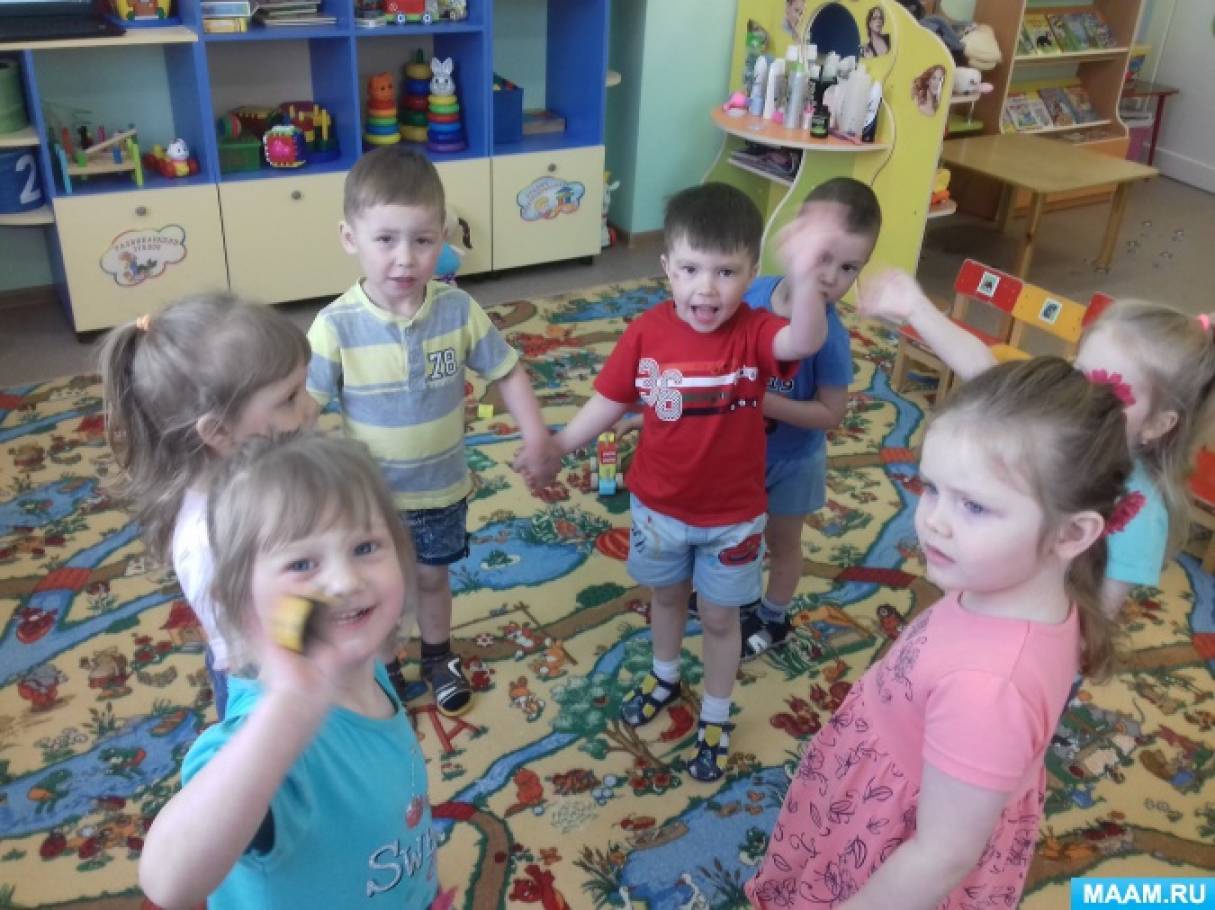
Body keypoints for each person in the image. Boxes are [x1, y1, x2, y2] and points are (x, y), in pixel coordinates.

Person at [747, 357, 1131, 909]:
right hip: (886, 783)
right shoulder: (1004, 582)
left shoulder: (988, 689)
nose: (933, 521)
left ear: (1072, 534)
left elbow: (940, 857)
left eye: (973, 505)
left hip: (891, 848)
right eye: (931, 488)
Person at [544, 182, 832, 781]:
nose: (707, 288)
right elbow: (609, 400)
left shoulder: (756, 330)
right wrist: (562, 443)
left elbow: (804, 339)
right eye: (691, 269)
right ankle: (665, 676)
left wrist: (805, 275)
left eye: (726, 272)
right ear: (666, 268)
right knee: (667, 599)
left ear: (751, 273)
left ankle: (716, 717)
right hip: (658, 509)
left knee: (722, 620)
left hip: (733, 519)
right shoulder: (646, 332)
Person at [138, 433, 447, 909]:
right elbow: (168, 881)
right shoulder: (272, 742)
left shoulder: (364, 667)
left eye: (365, 546)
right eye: (302, 563)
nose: (344, 581)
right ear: (241, 605)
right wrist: (286, 714)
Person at [307, 145, 559, 717]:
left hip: (441, 488)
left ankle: (439, 656)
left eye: (422, 240)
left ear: (442, 236)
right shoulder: (334, 326)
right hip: (372, 499)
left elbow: (507, 371)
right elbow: (303, 410)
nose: (405, 259)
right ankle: (385, 665)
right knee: (375, 590)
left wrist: (537, 435)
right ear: (350, 238)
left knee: (432, 579)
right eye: (385, 240)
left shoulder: (458, 310)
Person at [861, 274, 1215, 618]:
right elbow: (981, 366)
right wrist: (916, 308)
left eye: (1109, 392)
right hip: (981, 585)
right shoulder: (1048, 417)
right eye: (1079, 373)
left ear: (1157, 424)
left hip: (1030, 630)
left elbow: (1098, 616)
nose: (1082, 394)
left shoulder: (1141, 515)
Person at [98, 294, 318, 720]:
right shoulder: (207, 542)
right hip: (271, 686)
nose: (311, 408)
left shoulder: (263, 470)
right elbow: (249, 657)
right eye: (290, 397)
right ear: (219, 432)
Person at [738, 178, 876, 659]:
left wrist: (765, 403)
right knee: (737, 535)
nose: (831, 277)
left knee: (782, 543)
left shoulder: (830, 339)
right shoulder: (752, 294)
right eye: (823, 257)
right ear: (796, 238)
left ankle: (773, 618)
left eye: (849, 267)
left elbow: (832, 413)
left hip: (792, 463)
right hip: (739, 453)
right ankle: (739, 600)